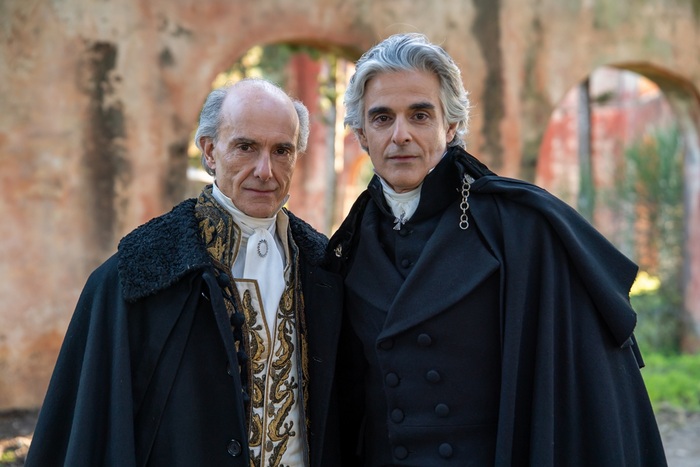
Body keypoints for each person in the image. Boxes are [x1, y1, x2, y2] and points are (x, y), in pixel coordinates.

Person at [324, 33, 667, 466]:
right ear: (361, 134)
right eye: (382, 118)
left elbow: (587, 396)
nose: (401, 135)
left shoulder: (523, 229)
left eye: (420, 115)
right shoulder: (347, 249)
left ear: (450, 126)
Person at [25, 78, 342, 467]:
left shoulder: (325, 269)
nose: (265, 170)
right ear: (210, 151)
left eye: (282, 151)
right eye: (246, 147)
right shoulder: (136, 275)